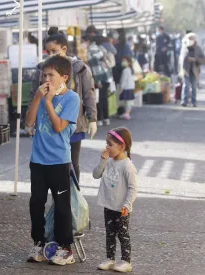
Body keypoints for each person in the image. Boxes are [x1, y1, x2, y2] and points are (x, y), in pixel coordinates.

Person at [24, 55, 80, 266]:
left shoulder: (71, 98)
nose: (46, 79)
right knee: (36, 203)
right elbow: (29, 123)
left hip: (59, 161)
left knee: (61, 205)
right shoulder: (40, 96)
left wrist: (48, 101)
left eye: (51, 75)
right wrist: (39, 99)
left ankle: (65, 247)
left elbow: (58, 127)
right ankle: (39, 243)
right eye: (44, 75)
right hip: (38, 160)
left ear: (64, 77)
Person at [29, 27, 97, 181]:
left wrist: (92, 118)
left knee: (73, 163)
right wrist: (30, 121)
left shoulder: (80, 68)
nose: (51, 55)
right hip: (47, 123)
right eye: (48, 52)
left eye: (55, 51)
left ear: (64, 49)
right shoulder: (42, 69)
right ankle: (57, 196)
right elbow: (33, 95)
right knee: (52, 164)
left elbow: (88, 94)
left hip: (73, 122)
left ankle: (73, 198)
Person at [93, 127, 137, 273]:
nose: (107, 147)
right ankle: (110, 258)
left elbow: (132, 188)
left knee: (123, 235)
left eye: (110, 144)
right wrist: (103, 160)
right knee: (110, 233)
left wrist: (127, 204)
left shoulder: (127, 166)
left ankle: (126, 261)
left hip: (122, 208)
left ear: (122, 146)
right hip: (109, 205)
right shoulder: (109, 161)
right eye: (106, 143)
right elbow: (96, 174)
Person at [83, 35, 112, 126]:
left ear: (87, 41)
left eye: (83, 42)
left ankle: (99, 119)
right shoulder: (99, 48)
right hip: (106, 76)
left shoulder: (92, 50)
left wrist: (98, 80)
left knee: (98, 99)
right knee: (104, 98)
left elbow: (96, 67)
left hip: (100, 77)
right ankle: (106, 118)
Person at [179, 33, 205, 107]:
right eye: (189, 38)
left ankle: (194, 102)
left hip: (195, 70)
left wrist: (195, 59)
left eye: (192, 38)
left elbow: (203, 59)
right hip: (185, 69)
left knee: (194, 86)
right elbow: (181, 60)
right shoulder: (184, 48)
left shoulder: (198, 48)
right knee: (186, 86)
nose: (191, 40)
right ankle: (184, 101)